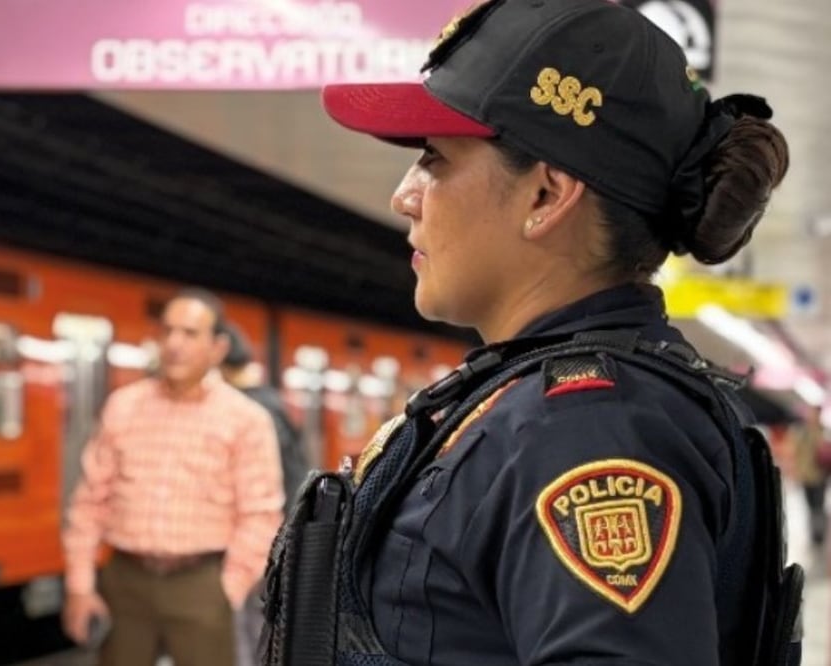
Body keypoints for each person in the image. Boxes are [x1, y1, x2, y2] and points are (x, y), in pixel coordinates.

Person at [264, 0, 795, 664]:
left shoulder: (587, 431)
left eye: (434, 159)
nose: (405, 195)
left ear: (546, 196)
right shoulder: (531, 407)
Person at [61, 288, 284, 666]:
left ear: (217, 348)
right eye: (167, 331)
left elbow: (261, 515)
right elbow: (88, 503)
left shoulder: (246, 420)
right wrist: (79, 587)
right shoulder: (123, 406)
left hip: (201, 583)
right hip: (125, 581)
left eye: (190, 333)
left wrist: (226, 589)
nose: (174, 344)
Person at [219, 323, 308, 666]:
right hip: (279, 531)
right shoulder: (273, 402)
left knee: (248, 630)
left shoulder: (250, 411)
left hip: (262, 538)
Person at [794, 404, 827, 547]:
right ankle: (814, 534)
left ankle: (819, 535)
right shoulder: (804, 431)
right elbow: (798, 452)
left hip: (820, 475)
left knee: (818, 505)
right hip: (807, 475)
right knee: (810, 506)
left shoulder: (823, 431)